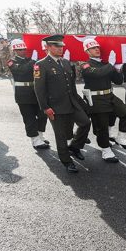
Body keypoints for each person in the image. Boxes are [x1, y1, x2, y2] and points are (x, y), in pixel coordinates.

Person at [34, 35, 91, 173]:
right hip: (55, 107)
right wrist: (45, 107)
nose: (60, 49)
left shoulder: (66, 62)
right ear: (48, 47)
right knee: (61, 136)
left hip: (71, 102)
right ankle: (67, 161)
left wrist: (79, 102)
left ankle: (75, 147)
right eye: (57, 46)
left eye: (61, 46)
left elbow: (71, 86)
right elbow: (39, 88)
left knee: (85, 123)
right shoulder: (40, 65)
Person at [80, 39, 126, 162]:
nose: (97, 49)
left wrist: (118, 69)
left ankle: (121, 137)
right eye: (93, 48)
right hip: (96, 98)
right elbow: (97, 74)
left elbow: (118, 81)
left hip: (109, 95)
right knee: (102, 126)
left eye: (98, 47)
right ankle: (105, 150)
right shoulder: (85, 64)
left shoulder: (106, 63)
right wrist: (111, 64)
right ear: (87, 51)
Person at [7, 39, 49, 149]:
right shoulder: (11, 61)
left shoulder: (30, 59)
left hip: (35, 91)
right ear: (15, 50)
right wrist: (33, 61)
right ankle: (35, 140)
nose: (23, 51)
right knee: (29, 117)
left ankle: (40, 135)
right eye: (20, 49)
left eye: (24, 49)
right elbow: (21, 70)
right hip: (23, 93)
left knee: (42, 115)